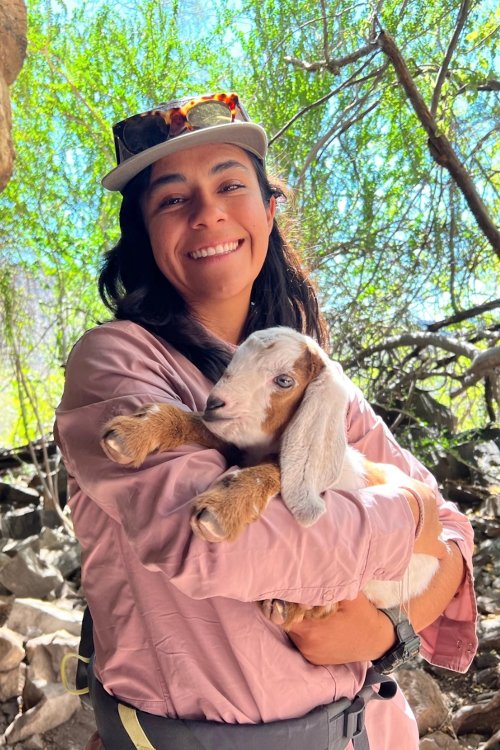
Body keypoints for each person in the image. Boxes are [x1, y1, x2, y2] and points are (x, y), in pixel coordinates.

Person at [54, 92, 477, 750]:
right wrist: (410, 516)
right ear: (143, 231)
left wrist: (385, 628)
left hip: (367, 733)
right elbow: (217, 543)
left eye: (230, 184)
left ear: (269, 208)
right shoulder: (116, 364)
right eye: (172, 198)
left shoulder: (308, 370)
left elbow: (456, 538)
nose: (208, 212)